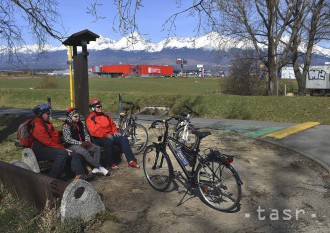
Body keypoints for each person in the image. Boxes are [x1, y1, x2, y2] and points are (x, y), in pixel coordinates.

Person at [31, 103, 94, 181]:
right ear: (40, 114)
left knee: (72, 152)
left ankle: (80, 175)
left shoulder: (45, 123)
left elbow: (51, 136)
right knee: (63, 153)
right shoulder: (38, 125)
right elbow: (47, 141)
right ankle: (52, 178)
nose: (49, 115)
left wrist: (60, 134)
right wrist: (62, 148)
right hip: (41, 149)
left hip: (49, 147)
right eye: (47, 113)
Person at [86, 98, 140, 169]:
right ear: (93, 108)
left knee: (123, 138)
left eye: (101, 106)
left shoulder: (106, 116)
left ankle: (131, 161)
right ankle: (110, 163)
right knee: (108, 141)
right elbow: (94, 132)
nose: (100, 108)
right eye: (98, 107)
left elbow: (112, 125)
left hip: (110, 135)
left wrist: (115, 132)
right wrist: (106, 135)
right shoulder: (90, 119)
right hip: (98, 138)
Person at [62, 107, 108, 176]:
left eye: (78, 116)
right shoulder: (66, 125)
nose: (78, 118)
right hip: (72, 146)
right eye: (75, 116)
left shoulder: (80, 123)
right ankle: (99, 167)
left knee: (96, 148)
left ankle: (95, 168)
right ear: (70, 116)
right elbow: (67, 139)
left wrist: (87, 141)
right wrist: (80, 143)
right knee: (84, 151)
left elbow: (86, 133)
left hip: (83, 143)